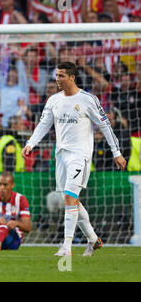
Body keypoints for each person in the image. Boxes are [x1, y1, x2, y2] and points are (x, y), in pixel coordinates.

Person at [21, 62, 127, 257]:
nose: (57, 79)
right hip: (61, 155)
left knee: (70, 197)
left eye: (61, 76)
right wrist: (31, 143)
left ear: (72, 77)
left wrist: (117, 152)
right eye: (56, 75)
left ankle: (66, 247)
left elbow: (105, 126)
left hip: (81, 155)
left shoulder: (88, 99)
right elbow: (44, 124)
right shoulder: (53, 100)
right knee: (72, 200)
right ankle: (94, 240)